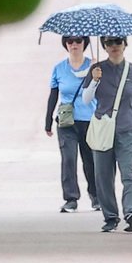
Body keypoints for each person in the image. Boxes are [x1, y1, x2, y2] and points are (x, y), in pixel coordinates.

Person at [80, 35, 132, 233]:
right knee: (103, 176)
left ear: (125, 44)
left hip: (127, 129)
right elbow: (86, 99)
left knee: (129, 172)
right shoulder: (96, 70)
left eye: (118, 42)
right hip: (103, 128)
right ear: (104, 46)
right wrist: (94, 81)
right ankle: (110, 216)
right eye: (109, 43)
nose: (114, 46)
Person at [44, 35, 99, 213]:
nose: (74, 44)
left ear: (84, 44)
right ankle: (71, 198)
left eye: (78, 41)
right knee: (68, 160)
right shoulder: (59, 68)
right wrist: (48, 121)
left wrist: (97, 73)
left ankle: (96, 196)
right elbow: (53, 95)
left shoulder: (94, 66)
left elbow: (104, 92)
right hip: (67, 121)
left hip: (89, 119)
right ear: (65, 44)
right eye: (69, 41)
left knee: (90, 160)